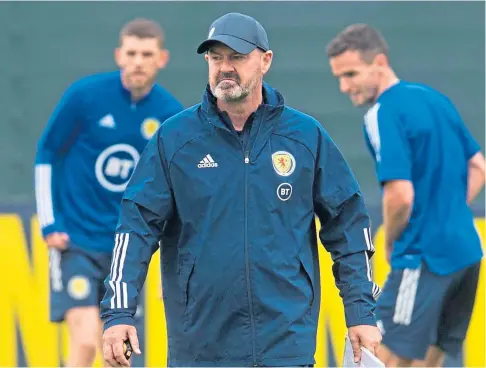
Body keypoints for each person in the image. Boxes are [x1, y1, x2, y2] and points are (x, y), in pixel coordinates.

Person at [100, 12, 381, 368]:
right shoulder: (175, 139)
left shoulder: (304, 137)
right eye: (215, 58)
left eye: (237, 57)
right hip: (199, 347)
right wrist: (119, 313)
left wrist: (360, 312)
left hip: (286, 344)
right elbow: (136, 227)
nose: (225, 67)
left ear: (265, 61)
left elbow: (349, 225)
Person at [326, 23, 485, 367]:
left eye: (351, 74)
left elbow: (400, 195)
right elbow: (479, 167)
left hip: (422, 256)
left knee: (383, 356)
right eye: (339, 77)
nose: (344, 86)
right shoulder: (435, 99)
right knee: (430, 360)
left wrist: (389, 242)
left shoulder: (382, 113)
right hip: (468, 254)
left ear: (379, 63)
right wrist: (448, 211)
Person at [34, 18, 183, 367]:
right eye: (131, 52)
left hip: (127, 250)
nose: (137, 61)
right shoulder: (84, 96)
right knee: (86, 341)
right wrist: (49, 221)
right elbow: (47, 152)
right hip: (77, 241)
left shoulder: (171, 114)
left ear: (162, 59)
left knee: (120, 352)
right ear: (119, 55)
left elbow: (176, 187)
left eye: (146, 54)